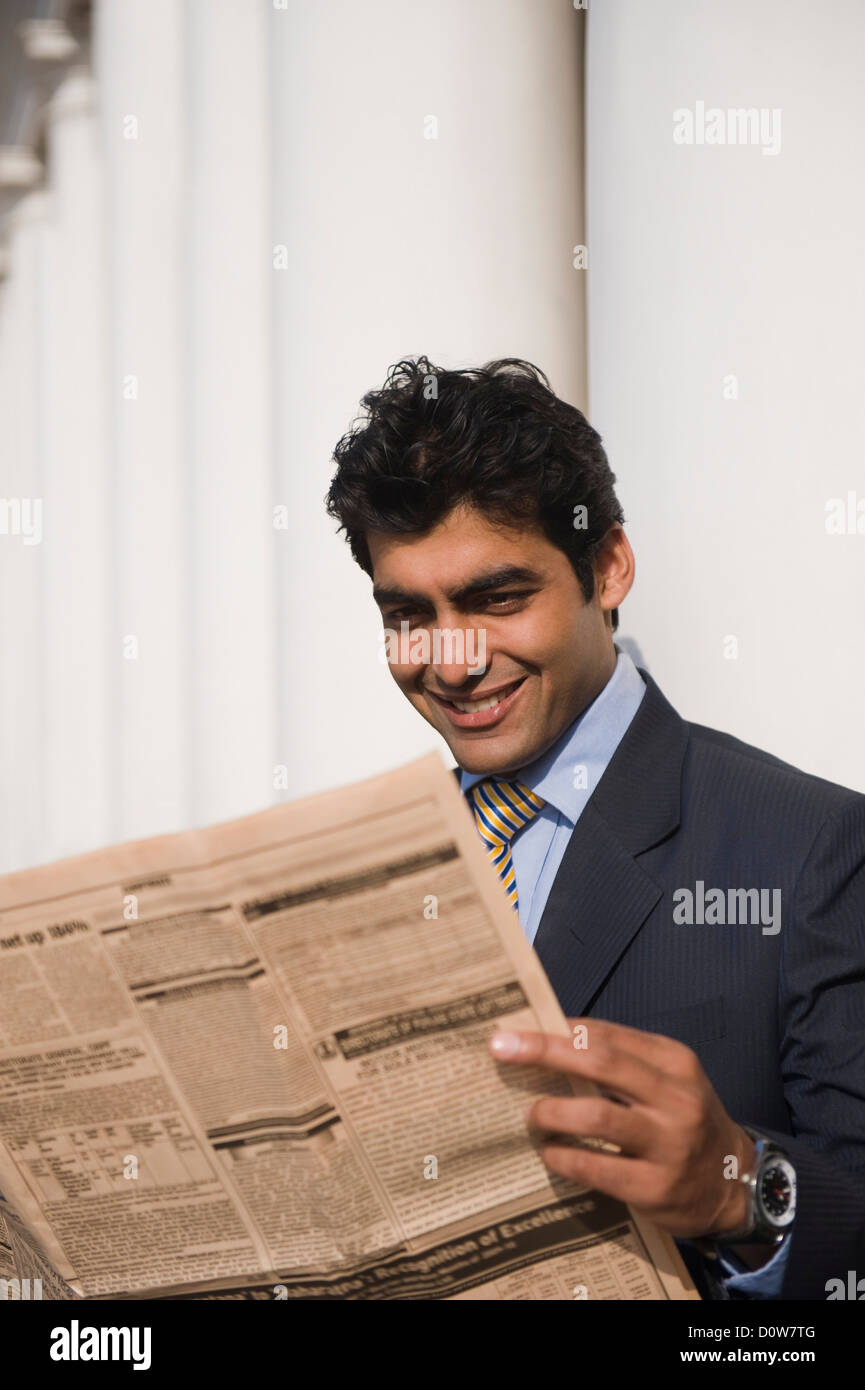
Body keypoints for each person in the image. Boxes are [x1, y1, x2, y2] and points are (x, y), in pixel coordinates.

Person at [325, 356, 865, 1300]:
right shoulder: (360, 870)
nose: (452, 664)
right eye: (411, 615)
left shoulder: (814, 848)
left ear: (606, 568)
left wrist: (744, 1188)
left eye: (497, 599)